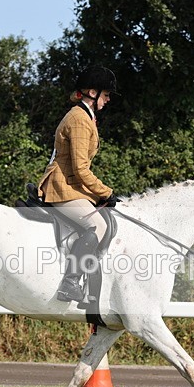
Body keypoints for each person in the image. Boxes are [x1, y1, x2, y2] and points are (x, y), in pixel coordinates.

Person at [37, 66, 120, 302]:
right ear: (92, 93)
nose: (108, 99)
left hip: (71, 185)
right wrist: (107, 192)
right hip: (61, 187)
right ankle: (70, 282)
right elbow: (81, 169)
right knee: (97, 226)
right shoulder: (79, 119)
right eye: (106, 94)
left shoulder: (84, 116)